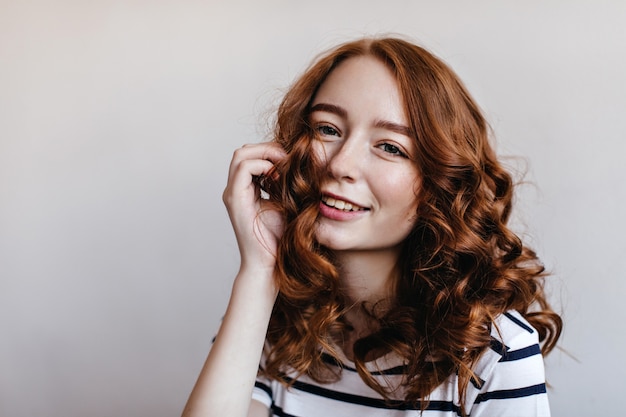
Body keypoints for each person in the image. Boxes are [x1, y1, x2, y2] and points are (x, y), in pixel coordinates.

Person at [182, 36, 562, 417]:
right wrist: (259, 270)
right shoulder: (271, 318)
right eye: (327, 129)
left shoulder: (495, 351)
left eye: (390, 147)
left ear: (439, 182)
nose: (340, 164)